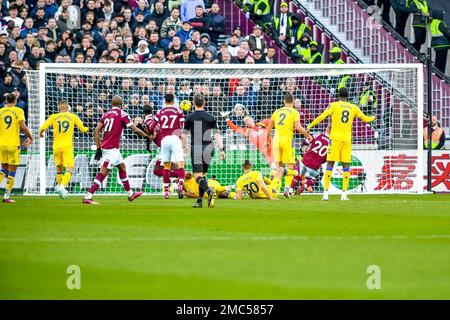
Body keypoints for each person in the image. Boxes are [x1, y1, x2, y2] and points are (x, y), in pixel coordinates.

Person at [307, 87, 375, 201]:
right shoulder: (353, 107)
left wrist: (309, 126)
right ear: (348, 96)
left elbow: (322, 116)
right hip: (346, 140)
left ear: (338, 95)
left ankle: (326, 193)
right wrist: (373, 116)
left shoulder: (333, 105)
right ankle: (344, 194)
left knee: (330, 164)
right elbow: (366, 119)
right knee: (346, 165)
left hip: (334, 139)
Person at [83, 96, 150, 205]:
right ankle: (88, 196)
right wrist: (146, 136)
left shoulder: (106, 114)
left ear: (112, 104)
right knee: (104, 172)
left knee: (122, 167)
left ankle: (130, 194)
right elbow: (135, 129)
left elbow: (96, 130)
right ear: (121, 104)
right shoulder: (123, 114)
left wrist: (98, 147)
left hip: (110, 148)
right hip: (111, 149)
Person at [182, 94, 225, 208]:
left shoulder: (190, 117)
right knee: (203, 175)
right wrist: (222, 150)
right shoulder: (210, 117)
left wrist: (183, 147)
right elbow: (217, 135)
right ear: (204, 103)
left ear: (194, 103)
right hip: (209, 147)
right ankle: (199, 201)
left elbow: (184, 135)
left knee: (197, 177)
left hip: (197, 148)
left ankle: (209, 191)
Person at [39, 101, 89, 199]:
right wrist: (88, 129)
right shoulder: (72, 116)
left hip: (56, 146)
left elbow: (43, 127)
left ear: (59, 108)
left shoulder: (53, 117)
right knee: (70, 169)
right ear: (68, 108)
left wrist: (41, 133)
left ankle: (59, 186)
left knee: (59, 168)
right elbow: (83, 129)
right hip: (67, 146)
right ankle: (62, 187)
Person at [265, 93, 313, 197]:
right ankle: (287, 189)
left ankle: (273, 188)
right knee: (289, 166)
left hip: (276, 140)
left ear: (284, 101)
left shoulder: (277, 111)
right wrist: (307, 135)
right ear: (293, 102)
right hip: (287, 140)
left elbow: (269, 127)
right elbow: (298, 127)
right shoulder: (295, 112)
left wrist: (266, 140)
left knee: (278, 166)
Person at [147, 93, 185, 199]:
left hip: (164, 140)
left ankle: (166, 192)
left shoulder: (159, 112)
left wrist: (153, 133)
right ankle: (180, 185)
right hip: (175, 138)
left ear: (164, 101)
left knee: (166, 166)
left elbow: (151, 127)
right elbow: (182, 126)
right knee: (180, 163)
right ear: (173, 101)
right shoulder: (179, 111)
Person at [0, 93, 33, 203]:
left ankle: (6, 196)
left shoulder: (0, 111)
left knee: (3, 169)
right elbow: (23, 126)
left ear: (6, 100)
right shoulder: (19, 111)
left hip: (2, 144)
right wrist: (30, 137)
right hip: (13, 144)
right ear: (15, 101)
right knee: (12, 171)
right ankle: (6, 197)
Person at [288, 127, 330, 195]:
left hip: (306, 159)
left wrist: (305, 145)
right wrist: (319, 161)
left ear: (326, 129)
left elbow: (306, 141)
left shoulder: (319, 135)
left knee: (298, 175)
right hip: (316, 164)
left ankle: (290, 190)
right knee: (313, 178)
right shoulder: (331, 143)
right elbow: (327, 158)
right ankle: (303, 187)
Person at [430, 9, 450, 74]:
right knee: (442, 61)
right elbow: (446, 33)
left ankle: (437, 73)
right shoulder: (440, 23)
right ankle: (441, 75)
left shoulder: (433, 23)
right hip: (443, 44)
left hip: (436, 44)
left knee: (438, 60)